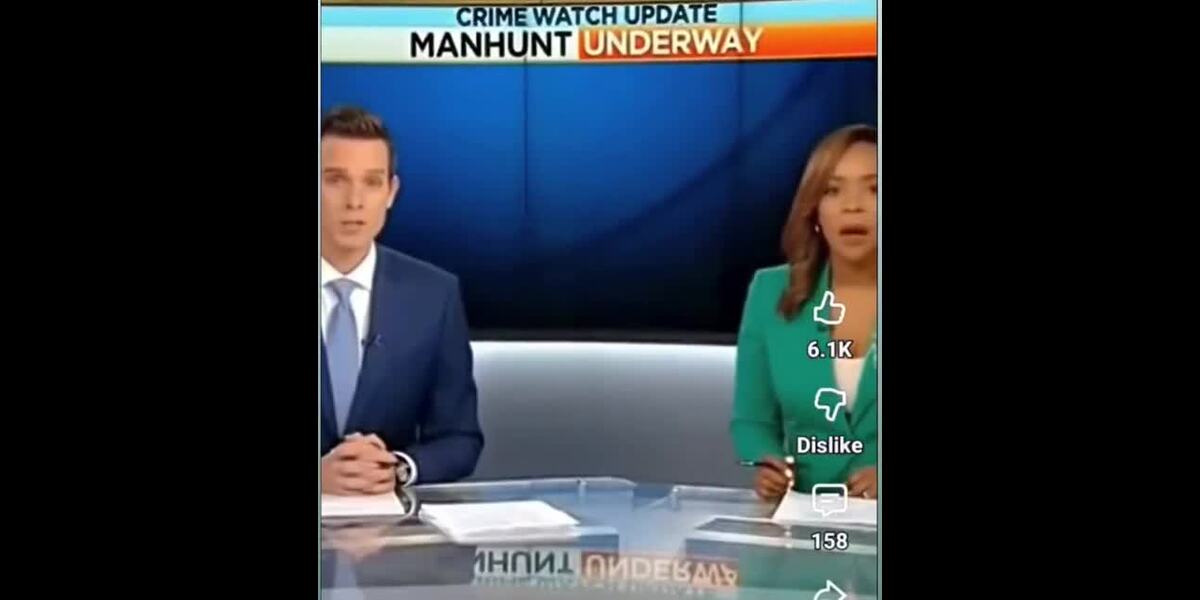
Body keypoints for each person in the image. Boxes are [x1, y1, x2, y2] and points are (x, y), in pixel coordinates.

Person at [320, 106, 483, 495]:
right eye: (336, 180)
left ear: (391, 192)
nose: (355, 201)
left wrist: (397, 469)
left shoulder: (434, 295)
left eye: (372, 182)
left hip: (388, 526)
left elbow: (460, 438)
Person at [730, 124, 877, 502]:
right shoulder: (770, 292)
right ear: (815, 209)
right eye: (832, 190)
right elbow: (753, 420)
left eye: (874, 189)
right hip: (804, 521)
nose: (853, 206)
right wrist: (767, 463)